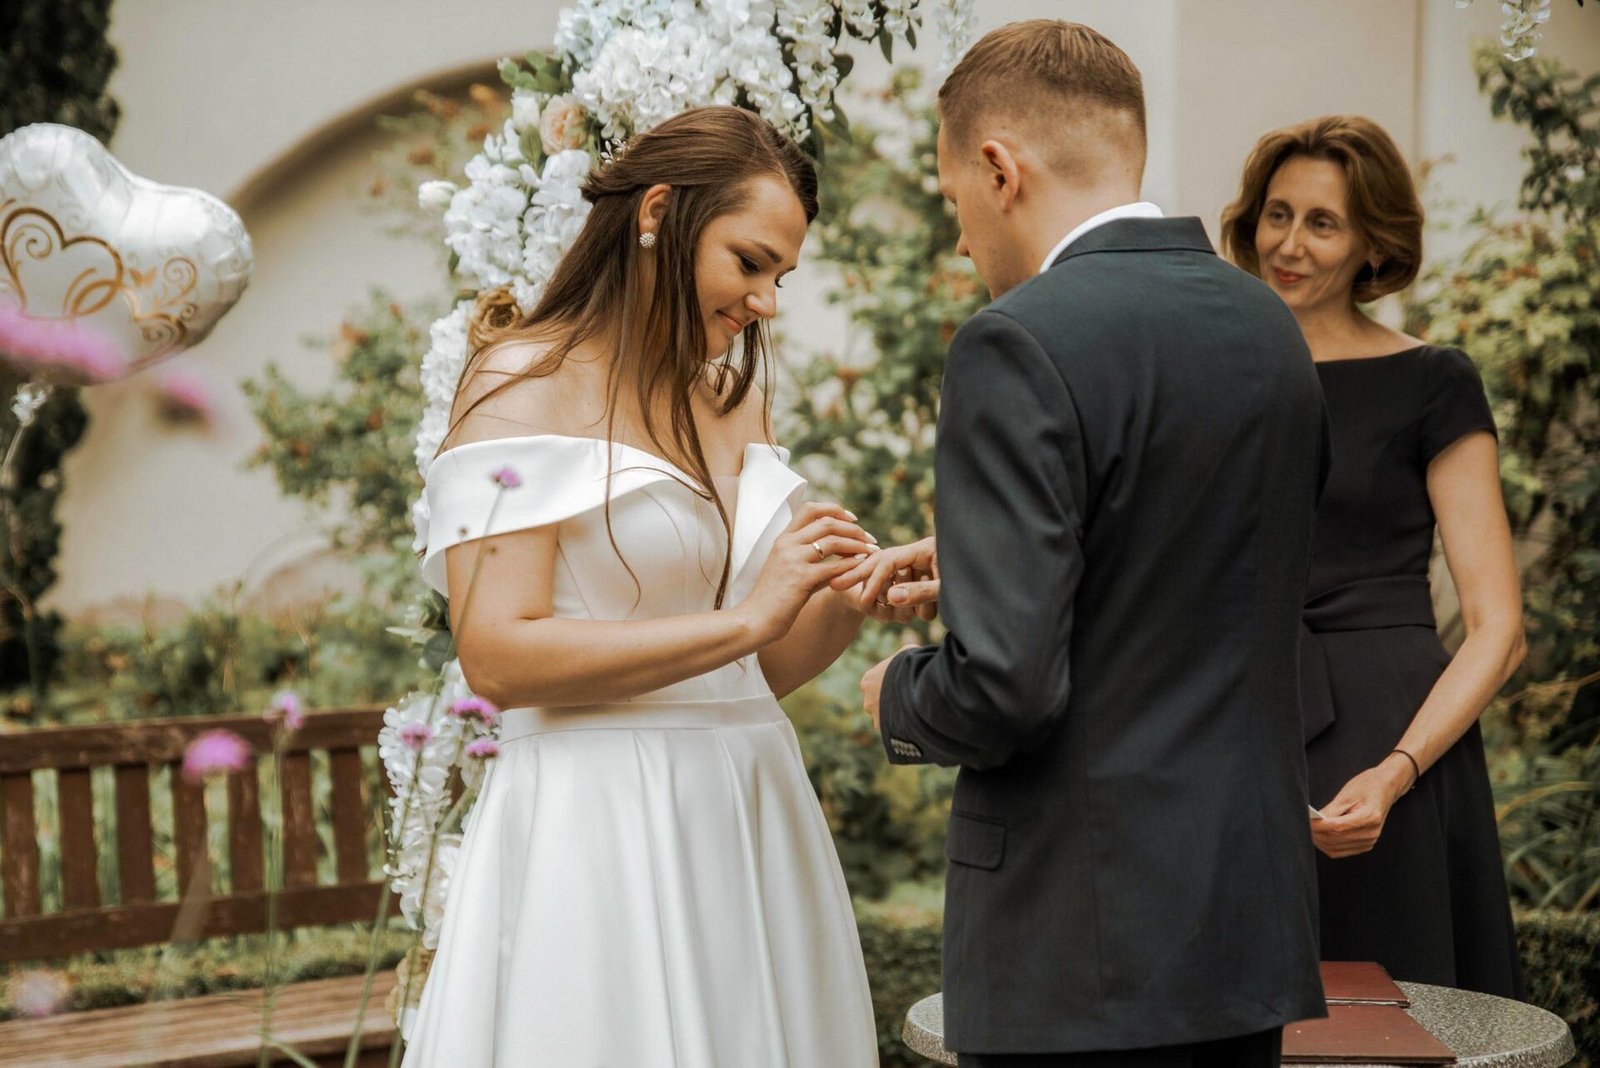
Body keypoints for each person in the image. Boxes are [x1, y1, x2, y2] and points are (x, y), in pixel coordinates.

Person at [848, 20, 1327, 1067]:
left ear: (997, 168)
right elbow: (1201, 563)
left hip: (1078, 953)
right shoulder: (1267, 328)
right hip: (1244, 938)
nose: (962, 239)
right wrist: (984, 560)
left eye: (951, 205)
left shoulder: (1015, 340)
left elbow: (1004, 691)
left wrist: (899, 693)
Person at [402, 106, 881, 1066]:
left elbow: (756, 667)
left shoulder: (730, 398)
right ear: (659, 211)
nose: (766, 303)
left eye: (781, 276)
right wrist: (747, 614)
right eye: (749, 263)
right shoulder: (519, 382)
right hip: (596, 820)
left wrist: (849, 590)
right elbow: (496, 653)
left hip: (748, 806)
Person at [1221, 115, 1526, 997]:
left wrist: (1396, 771)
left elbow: (1499, 629)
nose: (1290, 244)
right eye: (1278, 214)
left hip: (1393, 735)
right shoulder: (1217, 373)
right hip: (1241, 722)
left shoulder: (1434, 381)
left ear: (1372, 245)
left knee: (1402, 1010)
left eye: (1324, 223)